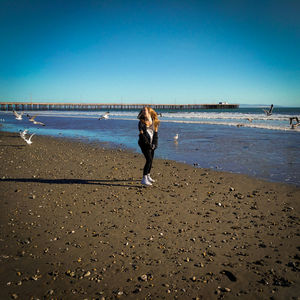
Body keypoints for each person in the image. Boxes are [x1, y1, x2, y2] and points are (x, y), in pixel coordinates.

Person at [137, 106, 160, 186]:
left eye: (145, 110)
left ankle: (148, 176)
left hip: (151, 143)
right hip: (143, 143)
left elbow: (156, 134)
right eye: (142, 110)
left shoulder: (155, 121)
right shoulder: (141, 122)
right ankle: (144, 179)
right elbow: (142, 136)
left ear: (149, 111)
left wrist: (154, 144)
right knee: (149, 160)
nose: (143, 111)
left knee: (151, 160)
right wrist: (149, 145)